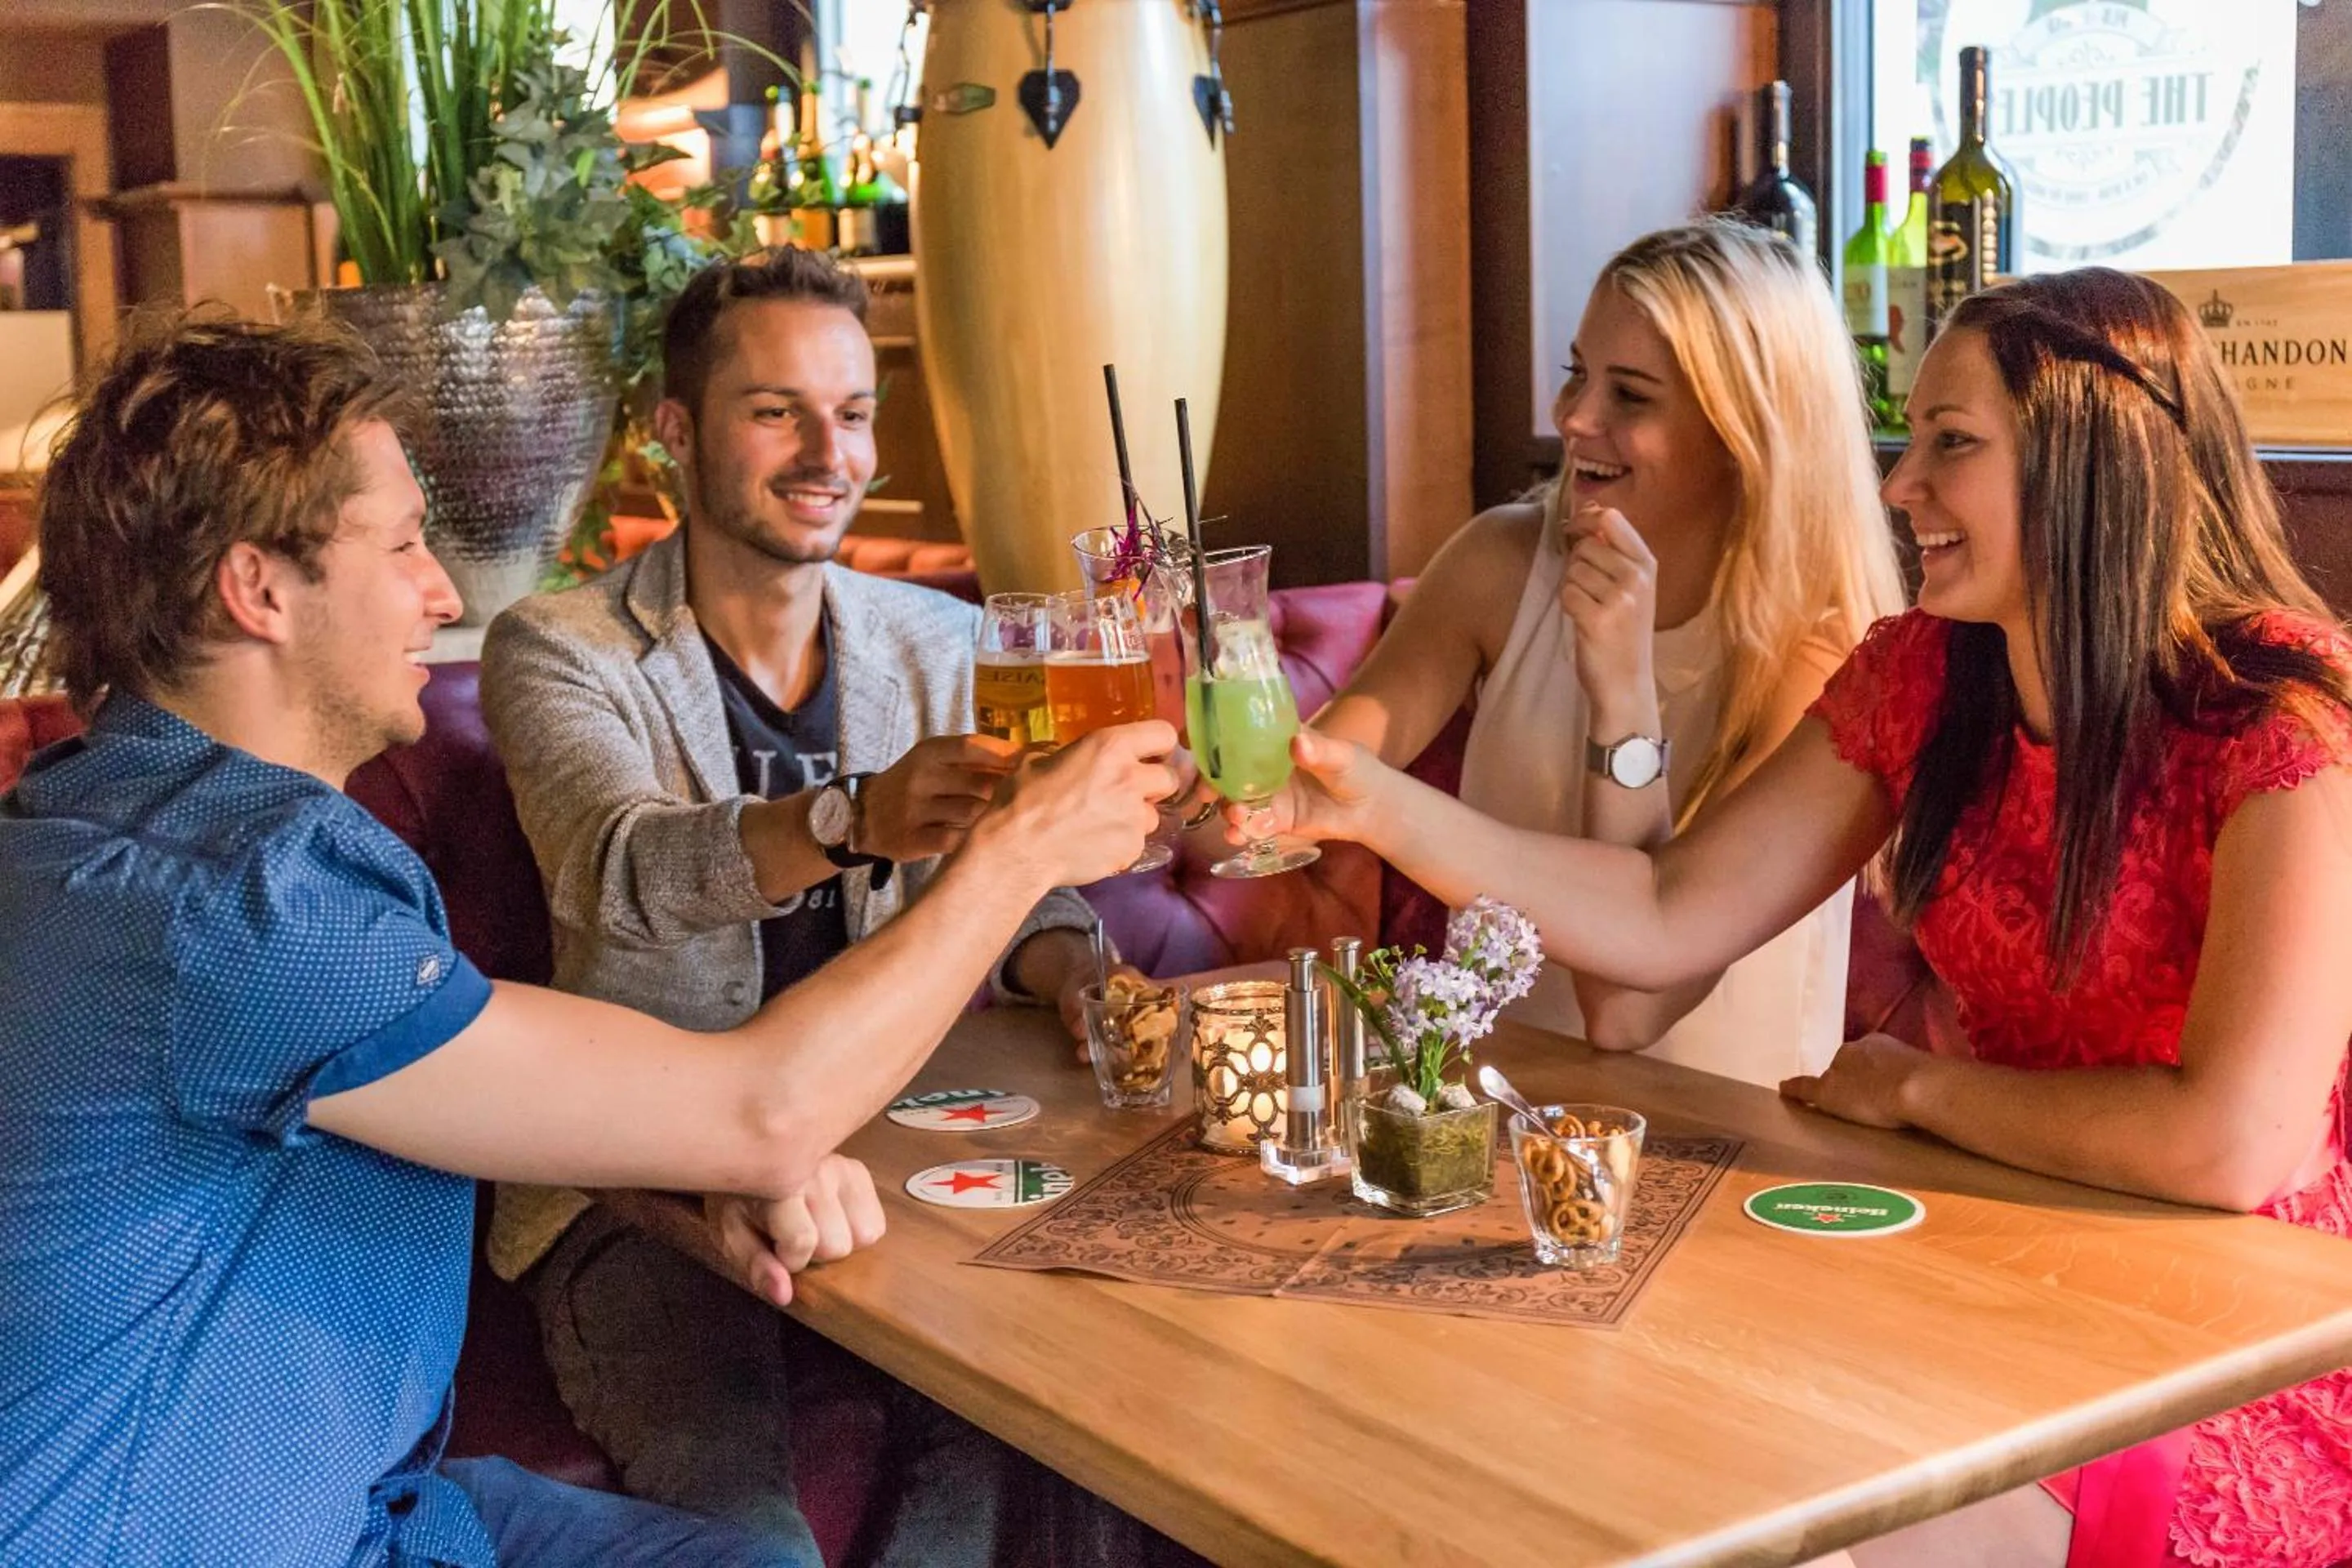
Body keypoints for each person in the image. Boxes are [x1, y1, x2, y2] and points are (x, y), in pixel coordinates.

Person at [0, 313, 1172, 1567]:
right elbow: (762, 1108)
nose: (443, 592)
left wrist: (685, 1184)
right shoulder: (242, 902)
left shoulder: (105, 818)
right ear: (258, 588)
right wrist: (1018, 849)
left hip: (377, 1507)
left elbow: (460, 1082)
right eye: (401, 545)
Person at [1259, 267, 2352, 1566]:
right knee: (1630, 1448)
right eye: (1911, 441)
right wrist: (1373, 806)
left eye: (1951, 445)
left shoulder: (2283, 719)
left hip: (2231, 1343)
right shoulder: (1926, 675)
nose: (1901, 486)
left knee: (1787, 1518)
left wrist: (1916, 1091)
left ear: (2089, 463)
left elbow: (2234, 1147)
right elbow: (1662, 914)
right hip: (1988, 1249)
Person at [478, 245, 1138, 1561]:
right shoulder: (561, 648)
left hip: (889, 1162)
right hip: (643, 1192)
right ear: (676, 432)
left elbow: (1008, 883)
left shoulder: (937, 639)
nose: (828, 454)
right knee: (744, 1527)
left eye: (852, 414)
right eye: (777, 412)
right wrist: (849, 820)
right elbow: (622, 873)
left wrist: (1077, 973)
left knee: (1065, 1447)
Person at [1307, 218, 1902, 1083]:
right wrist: (1200, 771)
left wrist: (1622, 692)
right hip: (1490, 1106)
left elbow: (1627, 1009)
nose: (1574, 418)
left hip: (1716, 1135)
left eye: (1630, 395)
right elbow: (1314, 777)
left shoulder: (1823, 653)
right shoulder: (1499, 563)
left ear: (1741, 434)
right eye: (1577, 373)